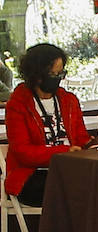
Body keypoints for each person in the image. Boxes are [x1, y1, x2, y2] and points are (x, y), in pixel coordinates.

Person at [3, 43, 91, 207]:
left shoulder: (69, 100)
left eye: (60, 73)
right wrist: (63, 152)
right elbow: (23, 152)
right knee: (81, 188)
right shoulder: (18, 104)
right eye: (52, 73)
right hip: (30, 175)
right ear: (36, 74)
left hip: (70, 169)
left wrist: (93, 146)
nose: (57, 78)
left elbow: (81, 138)